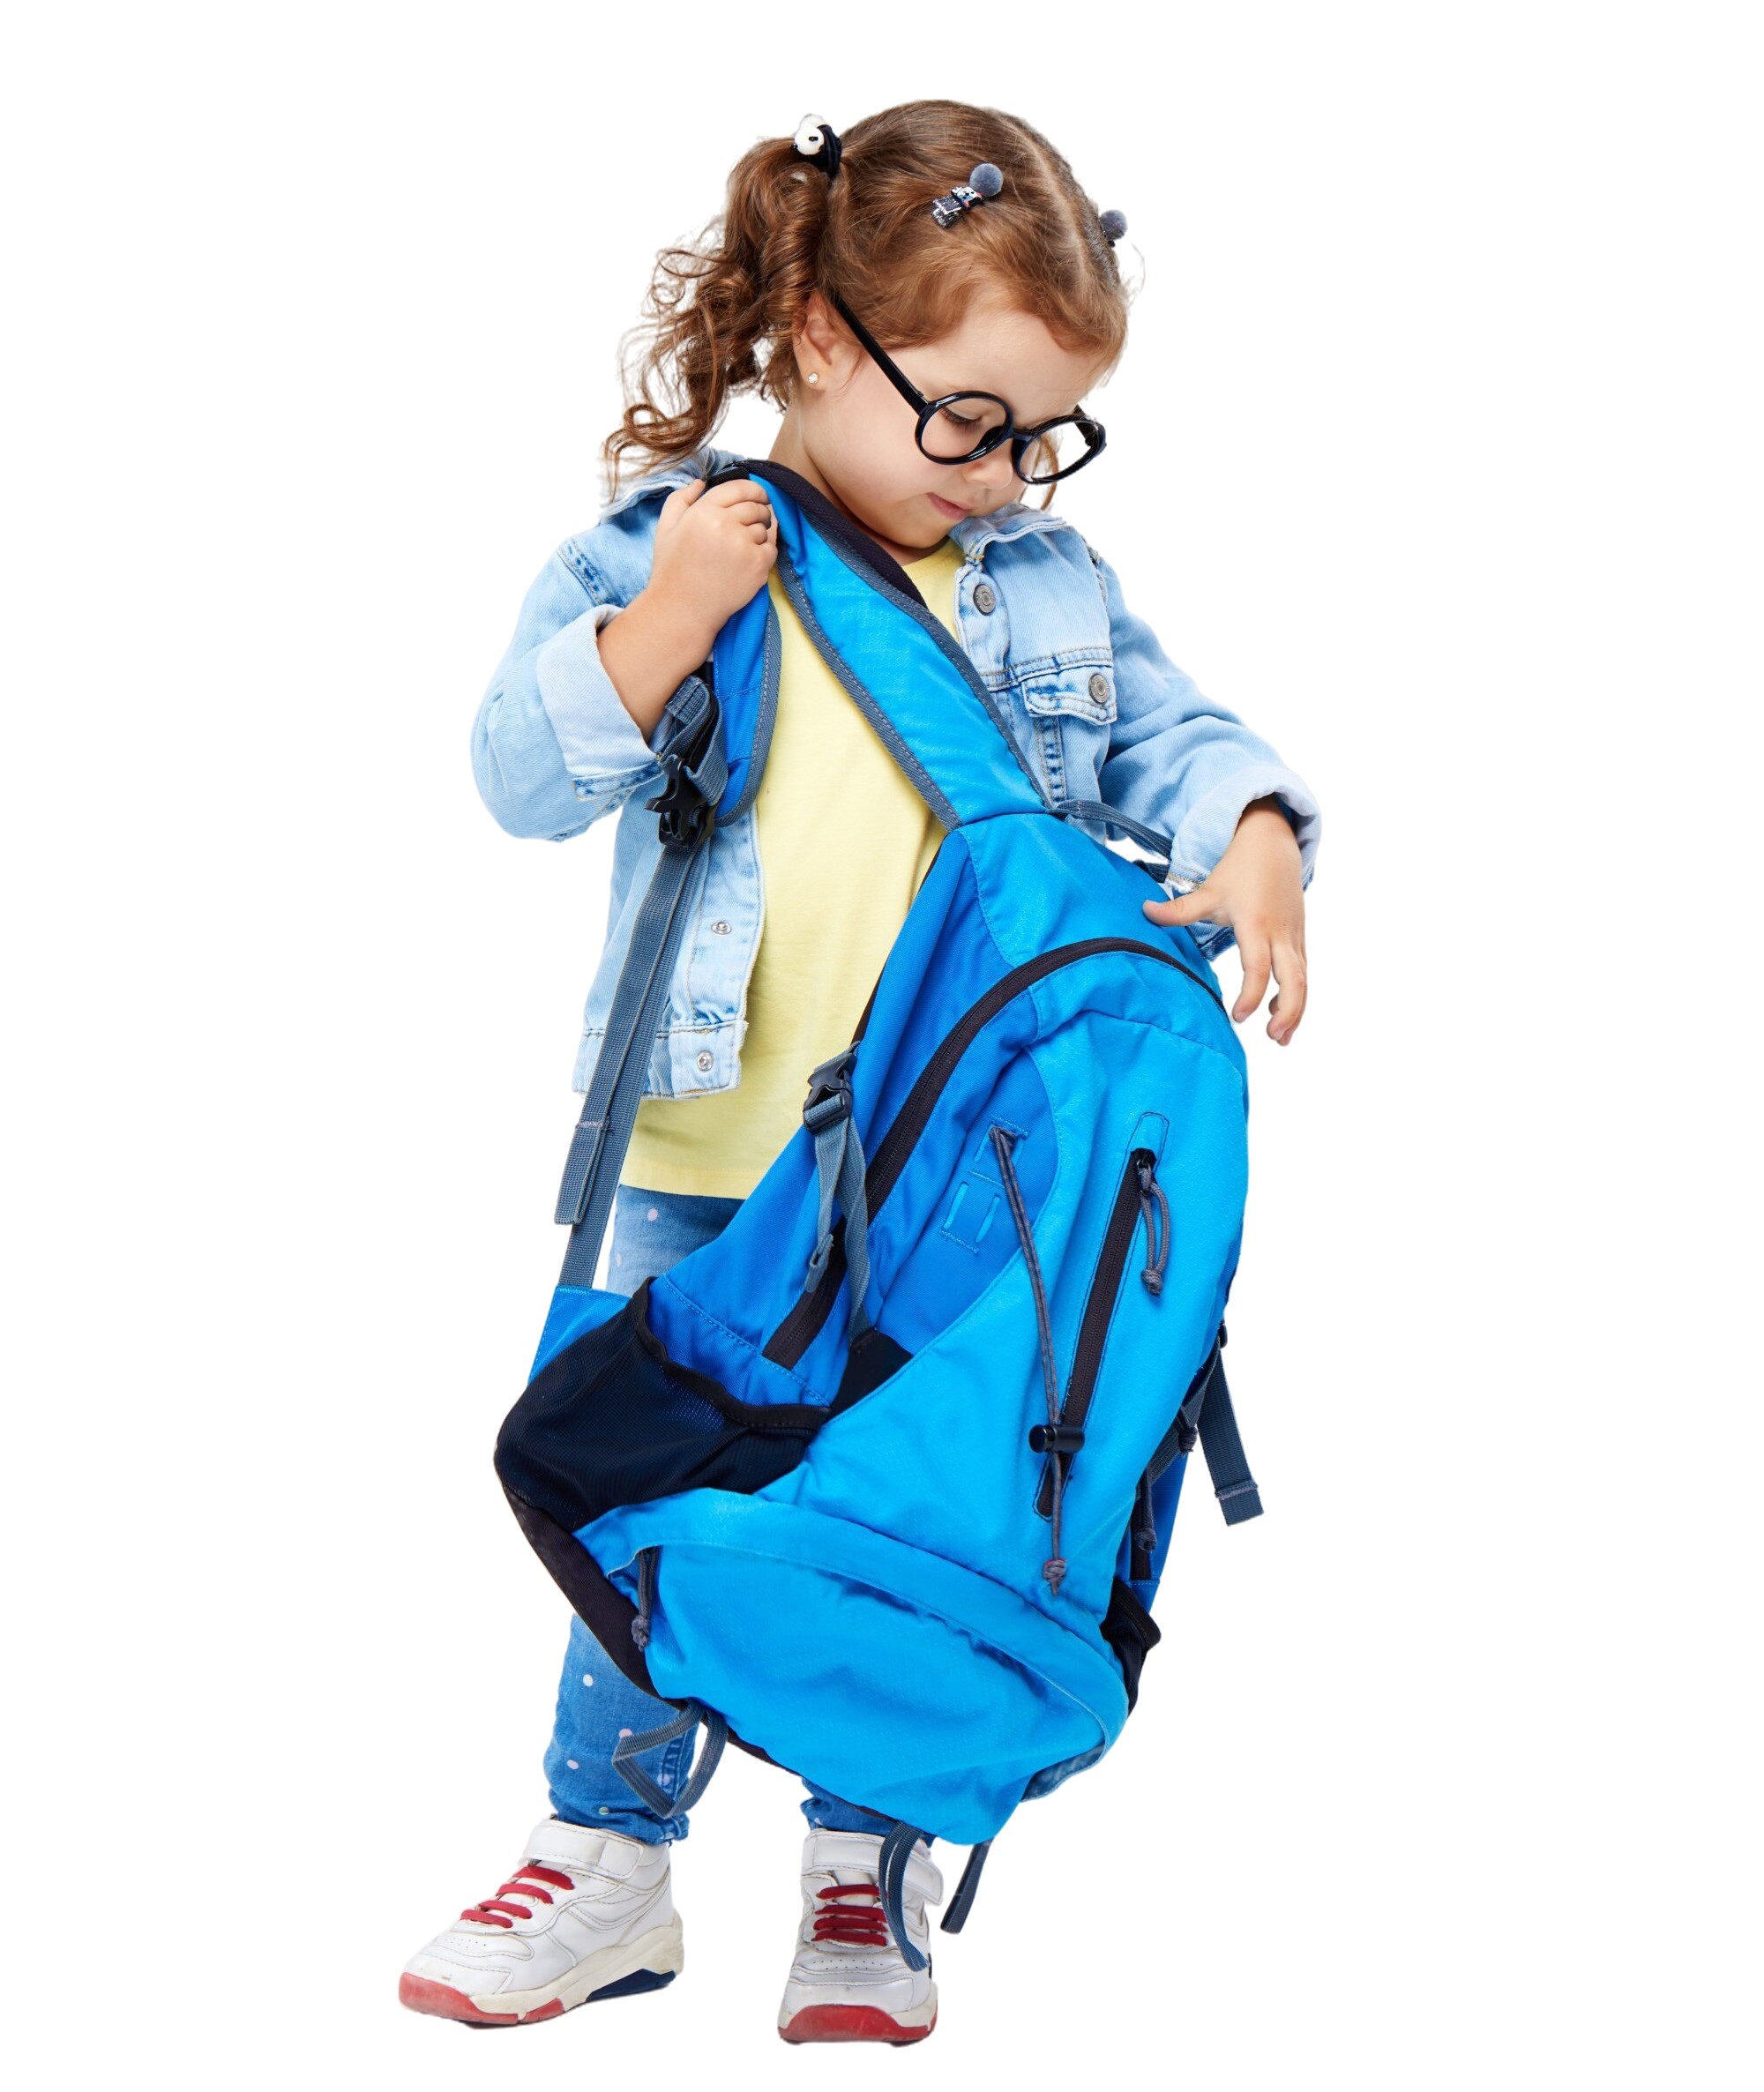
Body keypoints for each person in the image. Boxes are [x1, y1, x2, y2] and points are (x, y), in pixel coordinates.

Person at [402, 99, 1319, 2045]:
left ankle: (860, 1858)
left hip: (947, 1190)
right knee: (654, 1505)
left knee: (912, 1502)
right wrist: (664, 626)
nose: (1002, 475)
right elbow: (515, 774)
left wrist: (1247, 819)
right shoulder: (671, 548)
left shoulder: (1046, 588)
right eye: (968, 419)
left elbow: (1170, 729)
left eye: (1045, 433)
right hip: (705, 1152)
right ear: (823, 339)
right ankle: (610, 1857)